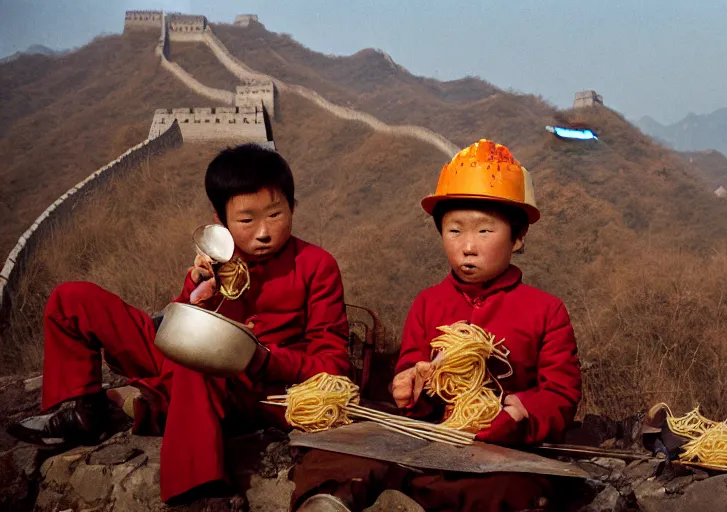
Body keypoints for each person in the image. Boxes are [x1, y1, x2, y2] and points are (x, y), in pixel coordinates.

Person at [7, 144, 351, 504]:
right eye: (247, 221)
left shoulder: (316, 265)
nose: (263, 232)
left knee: (197, 362)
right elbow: (178, 330)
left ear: (293, 208)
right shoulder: (218, 261)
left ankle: (198, 489)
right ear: (222, 222)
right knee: (72, 299)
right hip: (187, 363)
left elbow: (334, 364)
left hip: (253, 385)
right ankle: (85, 411)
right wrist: (195, 294)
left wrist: (262, 357)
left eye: (276, 215)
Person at [291, 139, 582, 512]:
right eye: (455, 230)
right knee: (335, 456)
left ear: (519, 237)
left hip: (503, 450)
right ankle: (332, 501)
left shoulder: (546, 310)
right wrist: (410, 386)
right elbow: (412, 372)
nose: (468, 246)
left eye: (485, 231)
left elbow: (561, 395)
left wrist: (518, 412)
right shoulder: (428, 302)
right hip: (431, 438)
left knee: (505, 490)